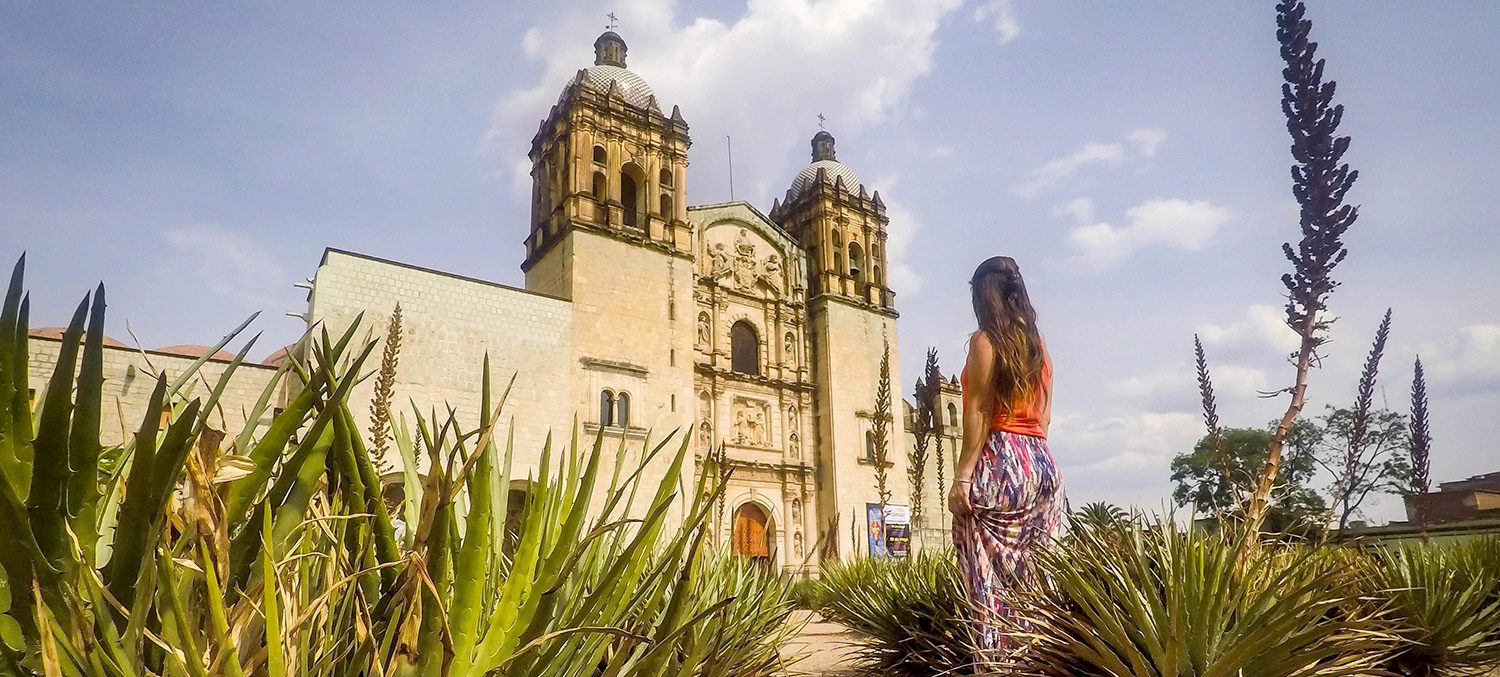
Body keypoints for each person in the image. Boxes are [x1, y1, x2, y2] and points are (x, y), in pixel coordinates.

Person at [947, 256, 1065, 665]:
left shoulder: (986, 341)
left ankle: (997, 665)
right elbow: (1046, 416)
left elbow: (978, 411)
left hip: (1003, 456)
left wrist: (963, 477)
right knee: (1035, 578)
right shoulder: (1039, 345)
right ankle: (1037, 663)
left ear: (984, 295)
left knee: (986, 579)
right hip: (1042, 465)